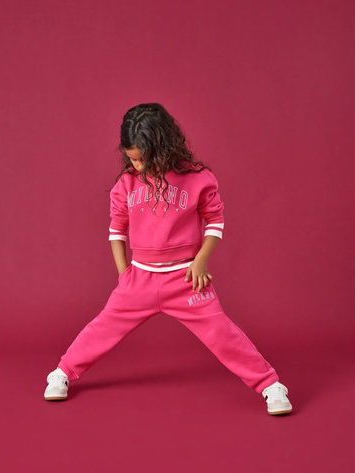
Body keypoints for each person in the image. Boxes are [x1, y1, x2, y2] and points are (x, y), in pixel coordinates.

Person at [44, 102, 292, 416]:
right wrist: (124, 274)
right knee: (103, 328)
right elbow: (116, 230)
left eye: (142, 159)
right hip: (139, 279)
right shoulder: (126, 184)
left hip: (186, 278)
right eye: (131, 159)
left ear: (161, 148)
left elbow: (215, 221)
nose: (136, 166)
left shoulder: (198, 179)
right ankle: (62, 373)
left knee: (221, 333)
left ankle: (271, 385)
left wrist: (201, 261)